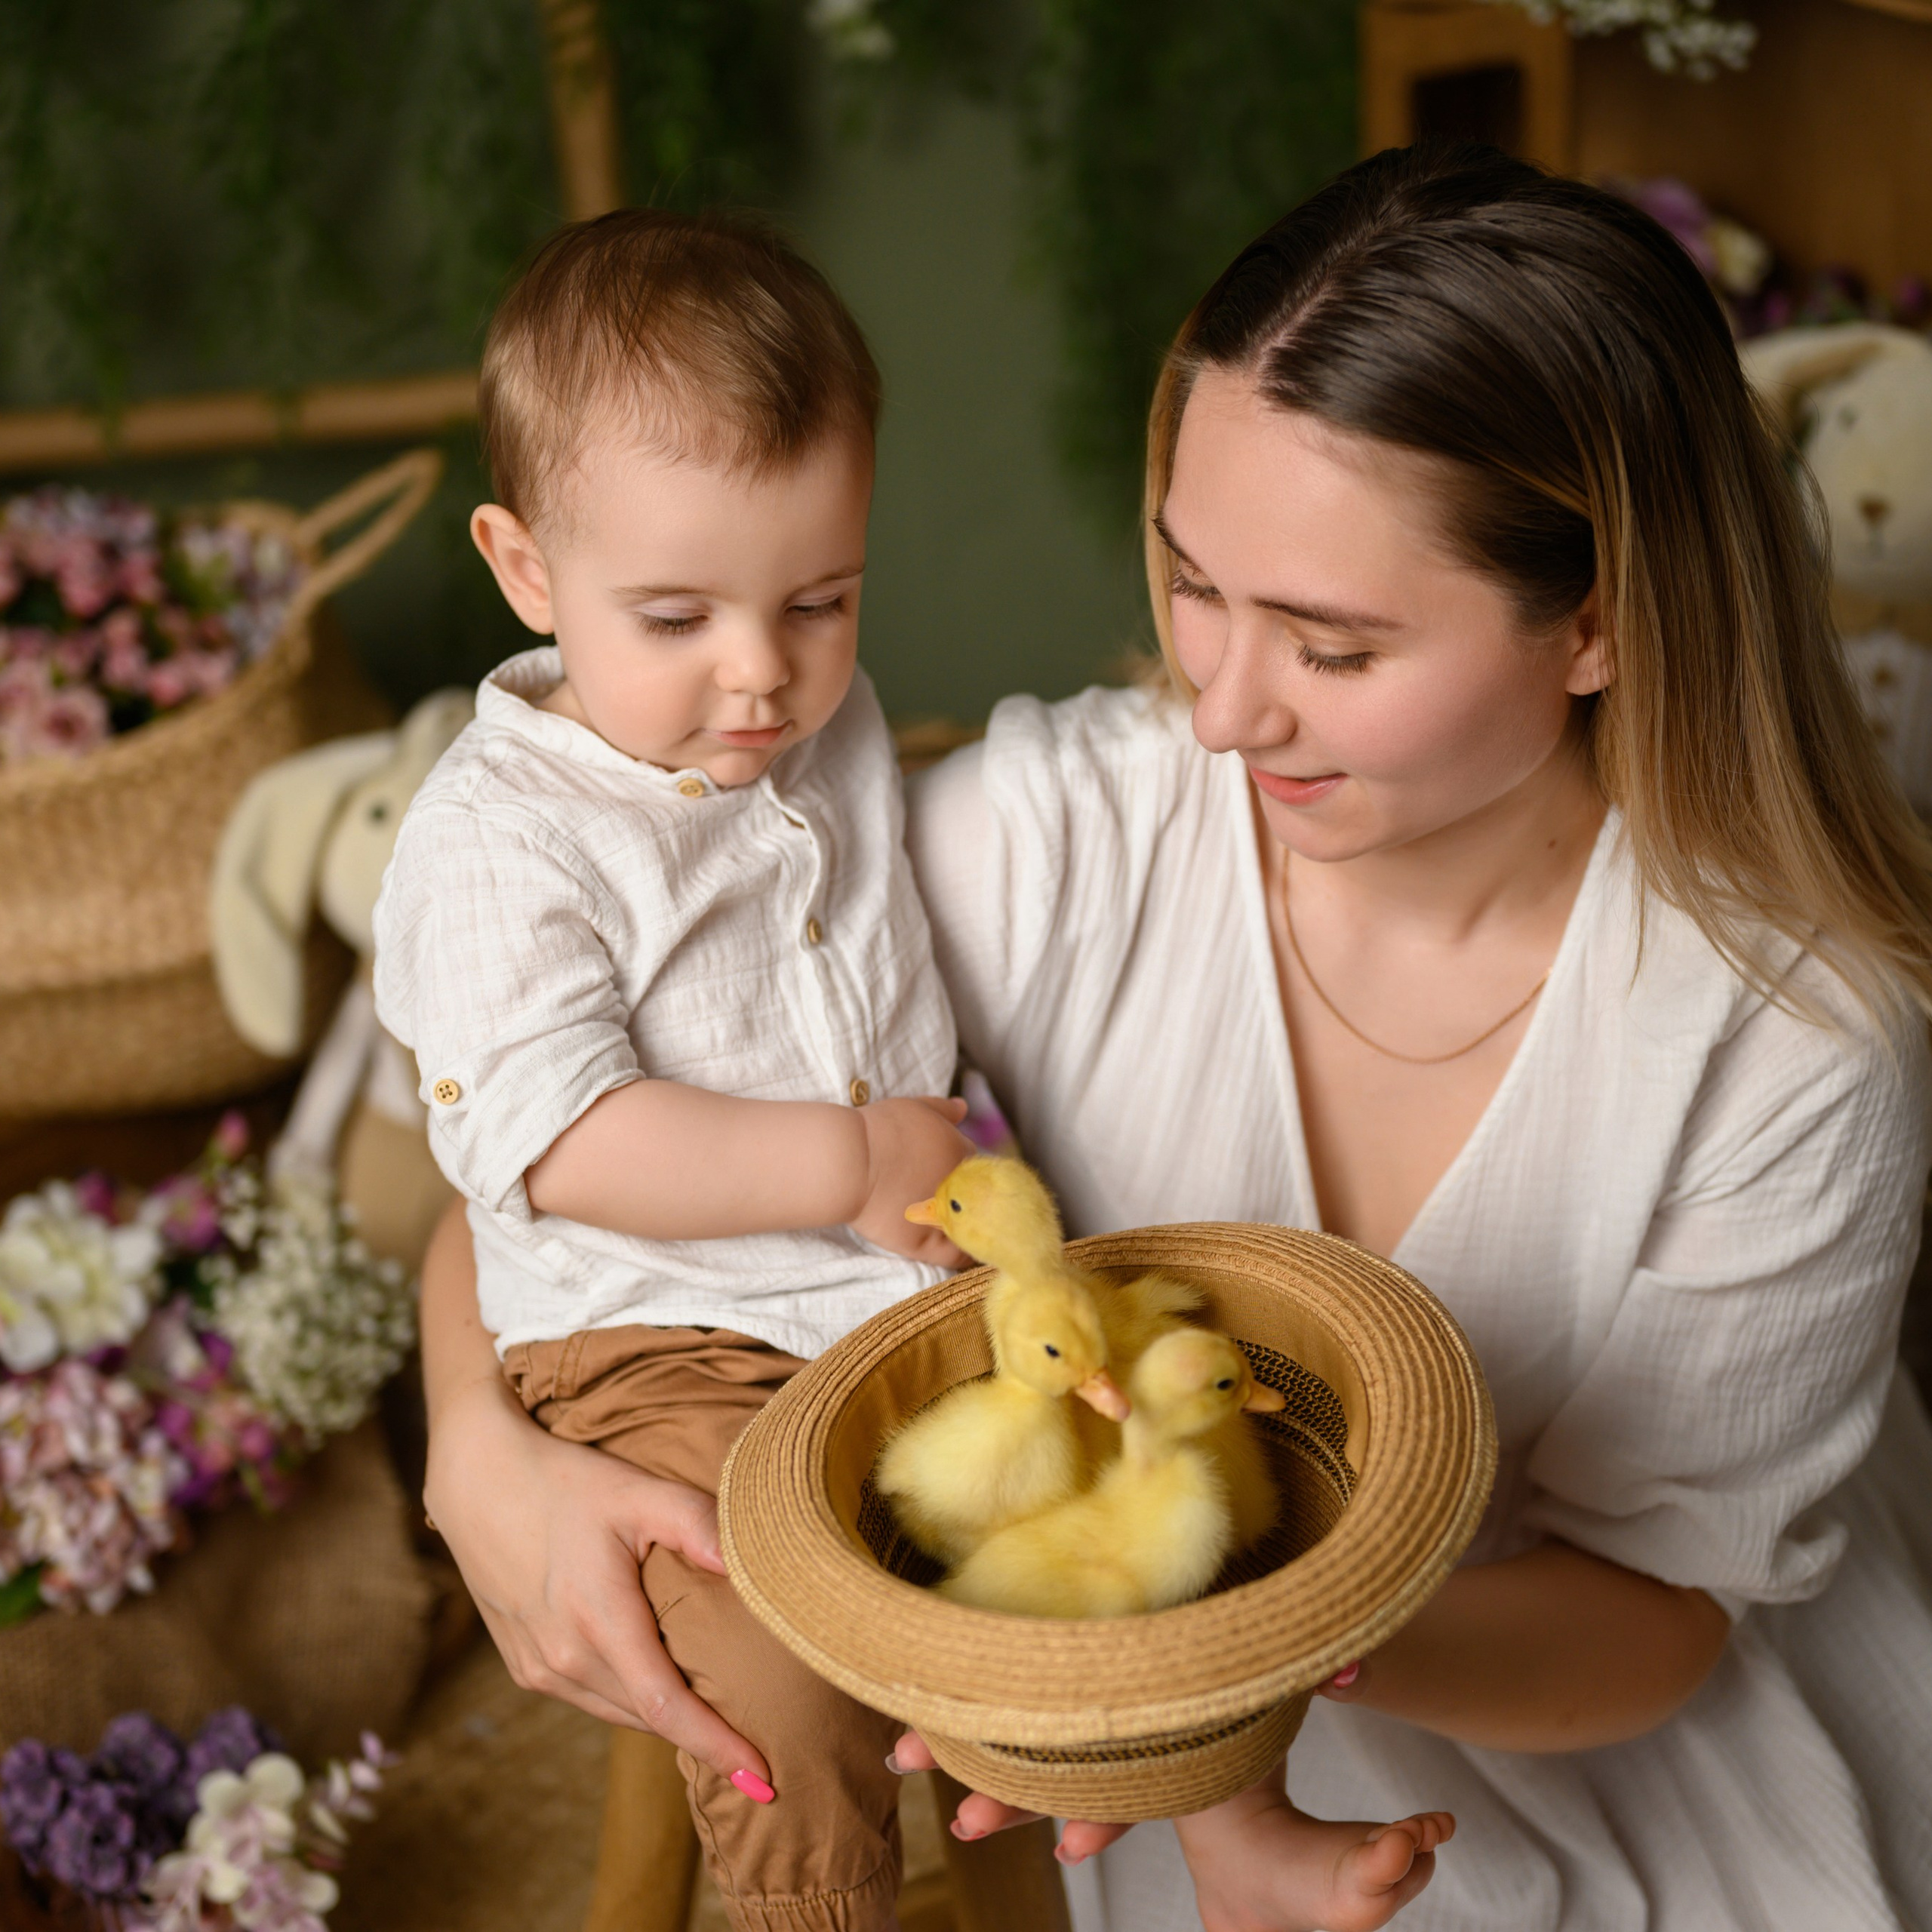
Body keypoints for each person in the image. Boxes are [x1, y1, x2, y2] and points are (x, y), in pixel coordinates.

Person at [413, 146, 1932, 1932]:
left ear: (1594, 620)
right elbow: (560, 1149)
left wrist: (1215, 1635)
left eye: (1330, 644)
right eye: (1195, 585)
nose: (1215, 706)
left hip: (1628, 1760)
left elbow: (1657, 1622)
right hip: (1147, 1745)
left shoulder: (1793, 1045)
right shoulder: (1071, 840)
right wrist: (478, 1449)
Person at [377, 205, 1446, 1932]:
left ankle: (1223, 1829)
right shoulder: (502, 842)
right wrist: (843, 1162)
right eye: (673, 615)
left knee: (1104, 1530)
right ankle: (818, 1901)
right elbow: (555, 1137)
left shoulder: (823, 718)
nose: (760, 670)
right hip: (665, 1334)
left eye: (819, 597)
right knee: (783, 1678)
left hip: (895, 1292)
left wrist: (926, 1193)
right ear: (522, 570)